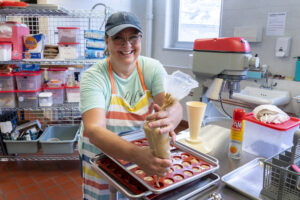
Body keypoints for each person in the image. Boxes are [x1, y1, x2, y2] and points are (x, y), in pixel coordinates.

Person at [78, 11, 182, 199]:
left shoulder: (151, 68)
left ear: (140, 39)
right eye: (118, 38)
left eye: (133, 38)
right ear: (107, 41)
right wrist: (136, 155)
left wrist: (170, 119)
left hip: (141, 151)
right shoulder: (94, 76)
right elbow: (93, 130)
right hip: (102, 156)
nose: (127, 45)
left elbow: (172, 106)